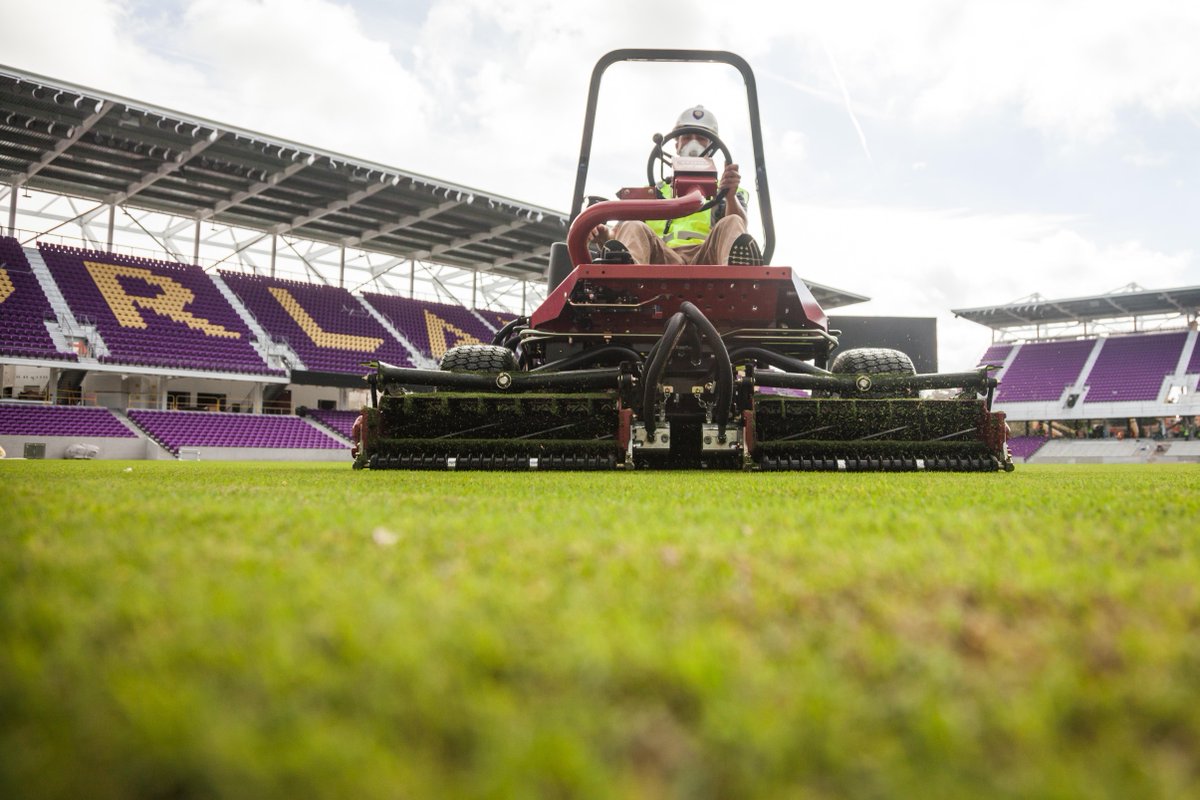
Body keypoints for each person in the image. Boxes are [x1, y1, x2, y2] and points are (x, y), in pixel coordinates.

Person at [590, 105, 763, 266]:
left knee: (732, 221)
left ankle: (737, 274)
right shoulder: (653, 191)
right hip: (662, 257)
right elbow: (624, 233)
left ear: (712, 145)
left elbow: (739, 227)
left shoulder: (726, 190)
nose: (692, 144)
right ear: (676, 144)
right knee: (632, 224)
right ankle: (627, 273)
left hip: (706, 257)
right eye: (686, 137)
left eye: (701, 138)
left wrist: (729, 195)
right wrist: (605, 235)